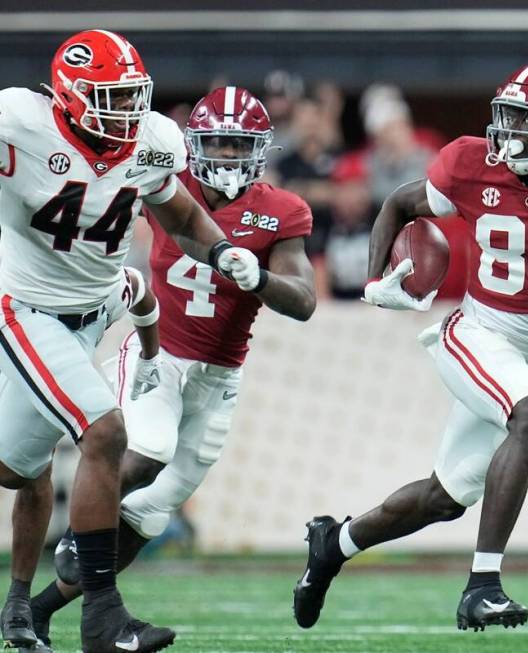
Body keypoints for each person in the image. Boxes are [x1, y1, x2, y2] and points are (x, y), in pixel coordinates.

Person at [292, 61, 528, 632]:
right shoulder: (472, 163)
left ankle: (334, 544)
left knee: (444, 498)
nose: (511, 134)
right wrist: (380, 281)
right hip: (475, 333)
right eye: (509, 117)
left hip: (526, 352)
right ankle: (483, 586)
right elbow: (400, 204)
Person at [24, 86, 316, 652]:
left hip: (219, 377)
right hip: (158, 354)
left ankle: (40, 611)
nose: (228, 157)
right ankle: (79, 543)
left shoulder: (283, 209)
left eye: (238, 147)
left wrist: (258, 277)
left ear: (259, 150)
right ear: (192, 146)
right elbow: (92, 209)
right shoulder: (164, 186)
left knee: (153, 513)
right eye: (218, 145)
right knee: (149, 450)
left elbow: (302, 299)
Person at [0, 30, 262, 653]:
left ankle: (17, 609)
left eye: (132, 97)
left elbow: (180, 216)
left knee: (19, 470)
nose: (125, 113)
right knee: (105, 431)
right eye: (109, 98)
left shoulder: (150, 142)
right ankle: (103, 618)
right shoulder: (19, 125)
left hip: (91, 313)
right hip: (24, 306)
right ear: (68, 96)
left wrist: (223, 250)